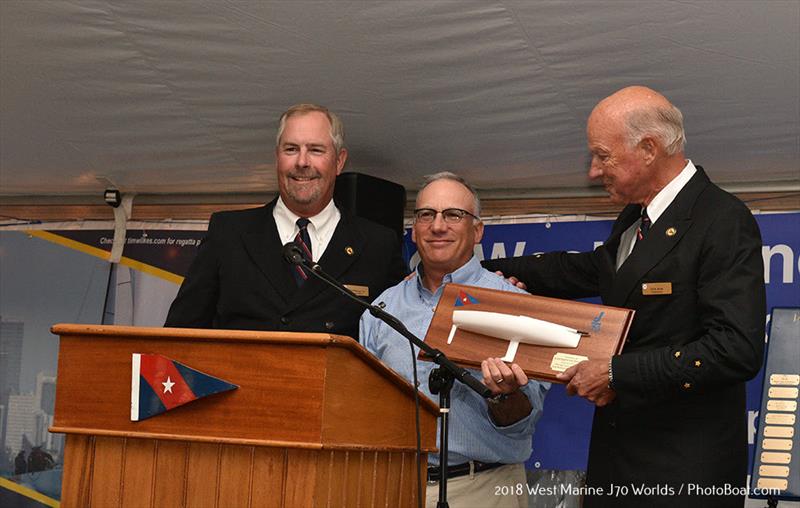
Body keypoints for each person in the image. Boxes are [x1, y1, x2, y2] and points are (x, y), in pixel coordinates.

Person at [483, 86, 765, 507]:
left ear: (649, 148)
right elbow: (587, 269)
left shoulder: (721, 219)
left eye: (603, 155)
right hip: (618, 461)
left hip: (682, 473)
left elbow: (734, 348)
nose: (595, 170)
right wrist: (480, 272)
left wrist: (616, 373)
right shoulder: (636, 216)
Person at [360, 172, 549, 508]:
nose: (438, 226)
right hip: (393, 487)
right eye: (426, 215)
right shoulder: (381, 310)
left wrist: (505, 396)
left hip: (483, 488)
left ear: (478, 230)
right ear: (414, 230)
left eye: (453, 215)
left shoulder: (516, 306)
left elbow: (525, 421)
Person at [165, 104, 406, 340]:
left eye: (316, 150)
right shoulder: (228, 233)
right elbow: (180, 336)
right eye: (291, 149)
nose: (302, 162)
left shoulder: (378, 244)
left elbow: (399, 347)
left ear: (339, 161)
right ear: (277, 158)